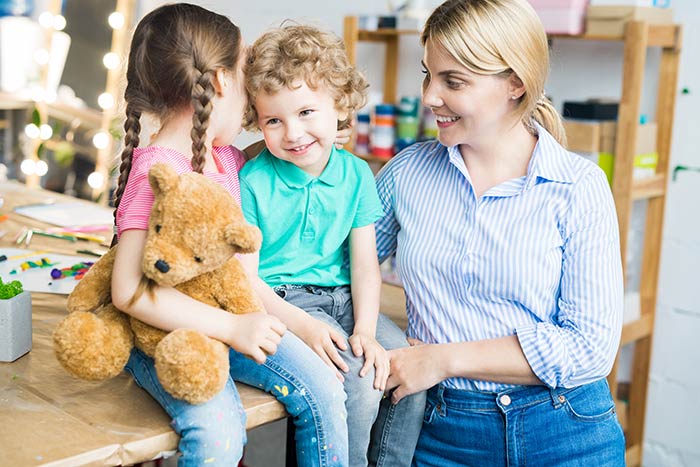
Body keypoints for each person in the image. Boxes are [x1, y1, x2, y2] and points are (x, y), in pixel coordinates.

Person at [378, 1, 626, 466]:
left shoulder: (577, 187)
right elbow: (333, 269)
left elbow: (590, 349)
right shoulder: (406, 175)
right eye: (428, 74)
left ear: (516, 83)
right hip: (441, 432)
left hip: (564, 430)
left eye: (454, 81)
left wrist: (443, 358)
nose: (431, 96)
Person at [110, 4, 350, 466]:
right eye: (246, 73)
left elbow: (243, 276)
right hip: (168, 335)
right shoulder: (156, 171)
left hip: (235, 320)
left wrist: (316, 134)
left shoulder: (228, 161)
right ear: (221, 80)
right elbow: (129, 291)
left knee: (324, 385)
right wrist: (234, 328)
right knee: (219, 434)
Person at [240, 24, 426, 467]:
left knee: (407, 368)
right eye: (274, 120)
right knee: (360, 382)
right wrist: (301, 325)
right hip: (284, 303)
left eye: (306, 112)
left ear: (339, 106)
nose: (293, 133)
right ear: (258, 122)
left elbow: (364, 267)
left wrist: (364, 328)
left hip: (344, 300)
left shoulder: (357, 175)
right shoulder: (251, 181)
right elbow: (246, 281)